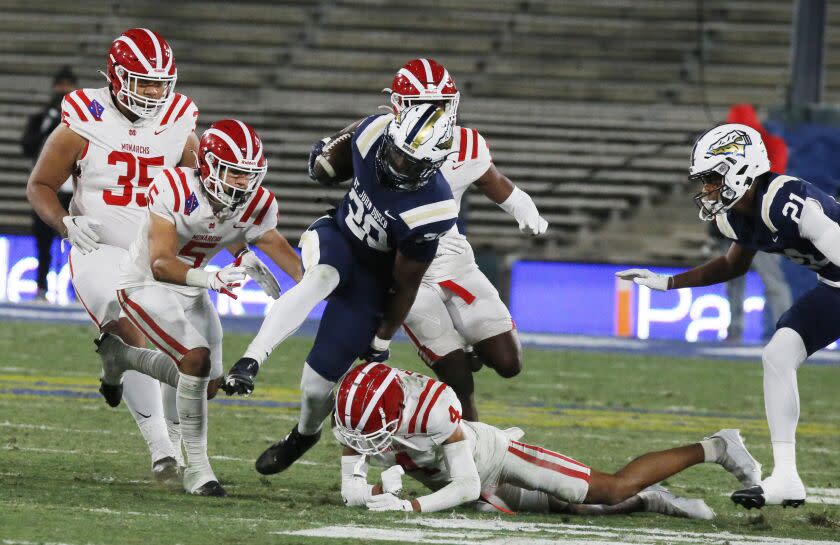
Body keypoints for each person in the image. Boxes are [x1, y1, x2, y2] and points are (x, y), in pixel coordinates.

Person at [222, 104, 459, 475]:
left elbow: (406, 281)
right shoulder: (374, 132)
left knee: (316, 387)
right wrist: (326, 157)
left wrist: (383, 336)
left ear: (433, 164)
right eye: (395, 150)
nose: (397, 162)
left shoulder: (431, 208)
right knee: (321, 278)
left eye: (410, 161)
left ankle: (304, 434)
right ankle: (249, 361)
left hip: (374, 279)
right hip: (336, 235)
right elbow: (328, 163)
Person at [617, 123, 840, 508]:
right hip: (834, 284)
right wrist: (668, 283)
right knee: (778, 355)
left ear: (740, 169)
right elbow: (732, 265)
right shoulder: (737, 215)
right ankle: (786, 477)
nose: (706, 189)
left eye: (712, 178)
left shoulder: (786, 201)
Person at [26, 28, 199, 482]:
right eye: (143, 82)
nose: (153, 92)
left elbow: (202, 189)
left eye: (160, 82)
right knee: (129, 326)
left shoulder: (179, 119)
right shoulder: (86, 115)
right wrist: (65, 222)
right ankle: (162, 452)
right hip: (97, 246)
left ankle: (114, 370)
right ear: (118, 77)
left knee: (181, 348)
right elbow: (40, 185)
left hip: (156, 253)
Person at [95, 119, 302, 496]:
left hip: (191, 289)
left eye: (248, 176)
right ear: (206, 166)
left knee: (208, 385)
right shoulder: (174, 187)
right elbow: (161, 262)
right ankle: (198, 469)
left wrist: (313, 284)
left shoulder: (256, 202)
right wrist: (212, 279)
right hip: (146, 284)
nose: (242, 184)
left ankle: (121, 357)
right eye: (234, 173)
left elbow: (266, 239)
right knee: (195, 360)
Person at [333, 362, 761, 517]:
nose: (364, 444)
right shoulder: (359, 411)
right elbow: (352, 490)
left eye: (372, 434)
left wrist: (408, 505)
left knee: (607, 491)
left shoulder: (432, 406)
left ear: (396, 413)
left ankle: (717, 446)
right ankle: (653, 500)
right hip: (454, 483)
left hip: (492, 459)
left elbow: (464, 485)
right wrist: (376, 491)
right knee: (570, 509)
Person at [381, 59, 548, 420]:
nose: (434, 115)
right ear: (398, 107)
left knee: (508, 363)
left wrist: (524, 207)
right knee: (457, 377)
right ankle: (472, 450)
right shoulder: (377, 143)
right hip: (406, 270)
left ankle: (467, 345)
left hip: (453, 259)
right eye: (423, 106)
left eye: (440, 105)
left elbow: (495, 182)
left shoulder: (466, 143)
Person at [20, 66, 78, 301]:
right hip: (47, 187)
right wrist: (46, 125)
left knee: (78, 242)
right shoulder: (40, 118)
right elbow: (26, 147)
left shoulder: (82, 120)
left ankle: (79, 290)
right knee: (42, 241)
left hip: (73, 189)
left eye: (68, 84)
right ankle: (41, 288)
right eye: (60, 84)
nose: (63, 89)